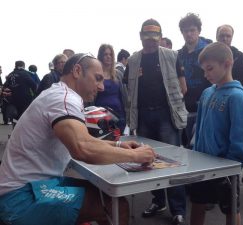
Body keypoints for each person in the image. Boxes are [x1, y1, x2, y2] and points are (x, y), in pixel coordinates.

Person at [0, 53, 156, 225]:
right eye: (97, 78)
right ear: (77, 70)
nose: (102, 87)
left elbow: (84, 139)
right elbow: (83, 148)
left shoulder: (58, 93)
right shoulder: (64, 99)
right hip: (21, 197)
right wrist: (137, 156)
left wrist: (119, 144)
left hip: (31, 186)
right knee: (116, 204)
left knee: (107, 196)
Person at [124, 18, 188, 225]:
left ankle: (178, 209)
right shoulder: (133, 61)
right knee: (148, 161)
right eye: (147, 37)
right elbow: (128, 90)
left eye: (154, 37)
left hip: (165, 115)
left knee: (172, 161)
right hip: (143, 115)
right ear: (141, 37)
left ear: (160, 37)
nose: (150, 41)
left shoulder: (172, 56)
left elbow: (183, 87)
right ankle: (158, 201)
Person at [190, 42, 243, 225]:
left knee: (231, 209)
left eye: (210, 68)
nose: (206, 74)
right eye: (204, 70)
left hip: (225, 169)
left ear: (227, 63)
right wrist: (195, 153)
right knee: (197, 203)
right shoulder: (206, 93)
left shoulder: (238, 97)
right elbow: (199, 128)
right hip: (202, 164)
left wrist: (230, 169)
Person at [178, 13, 212, 148]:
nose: (189, 34)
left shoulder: (209, 50)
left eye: (192, 30)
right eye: (186, 31)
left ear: (199, 31)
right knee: (187, 147)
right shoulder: (178, 54)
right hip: (185, 108)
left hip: (206, 107)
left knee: (201, 147)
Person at [95, 44, 127, 133]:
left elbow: (124, 95)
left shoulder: (118, 74)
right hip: (100, 117)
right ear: (100, 56)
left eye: (110, 54)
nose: (108, 57)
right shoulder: (95, 75)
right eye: (105, 54)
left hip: (119, 116)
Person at [216, 24, 243, 97]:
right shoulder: (209, 56)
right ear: (217, 37)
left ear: (232, 37)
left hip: (234, 96)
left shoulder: (241, 57)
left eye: (228, 36)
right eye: (222, 35)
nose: (225, 38)